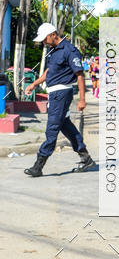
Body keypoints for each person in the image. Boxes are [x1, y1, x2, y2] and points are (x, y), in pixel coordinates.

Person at [23, 23, 95, 177]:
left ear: (53, 34)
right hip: (55, 94)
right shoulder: (53, 51)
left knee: (52, 129)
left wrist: (82, 100)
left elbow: (80, 75)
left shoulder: (69, 50)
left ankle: (38, 166)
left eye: (45, 39)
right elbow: (49, 72)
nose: (43, 42)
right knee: (66, 127)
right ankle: (86, 158)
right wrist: (34, 84)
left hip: (62, 93)